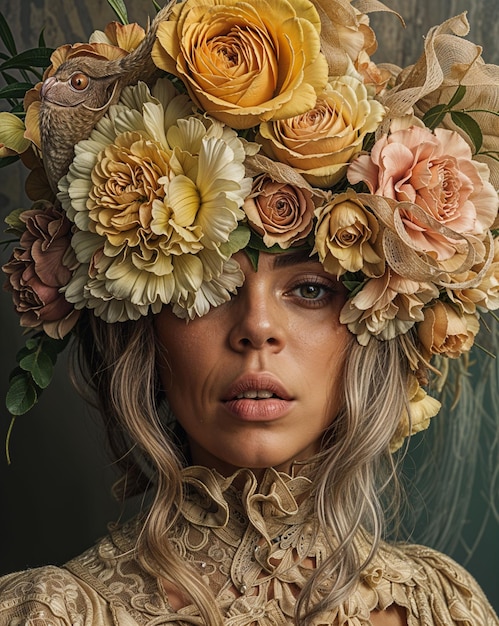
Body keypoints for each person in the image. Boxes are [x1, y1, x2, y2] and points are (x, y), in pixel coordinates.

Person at [0, 0, 498, 623]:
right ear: (143, 322)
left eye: (311, 289)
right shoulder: (48, 614)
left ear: (377, 318)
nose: (257, 328)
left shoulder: (438, 608)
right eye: (209, 287)